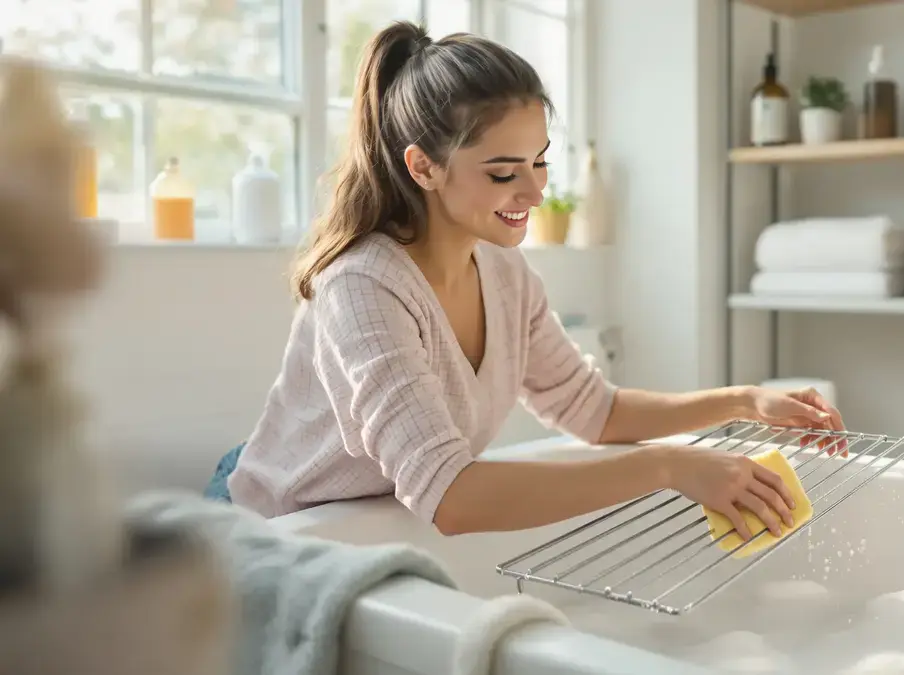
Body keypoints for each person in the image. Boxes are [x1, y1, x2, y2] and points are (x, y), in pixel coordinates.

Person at [217, 21, 846, 540]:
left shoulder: (504, 269)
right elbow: (452, 497)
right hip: (274, 529)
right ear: (423, 167)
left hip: (361, 523)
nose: (535, 190)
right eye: (503, 172)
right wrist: (667, 466)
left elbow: (593, 411)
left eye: (541, 162)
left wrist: (742, 401)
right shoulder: (362, 286)